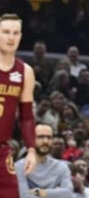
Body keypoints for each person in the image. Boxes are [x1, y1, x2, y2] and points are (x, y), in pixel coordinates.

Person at [0, 15, 38, 198]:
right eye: (6, 32)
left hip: (2, 150)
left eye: (15, 33)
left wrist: (31, 149)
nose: (11, 37)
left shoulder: (25, 71)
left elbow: (27, 117)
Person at [16, 124, 73, 198]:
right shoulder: (19, 167)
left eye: (49, 137)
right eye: (40, 137)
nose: (45, 141)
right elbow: (24, 196)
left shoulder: (61, 167)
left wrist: (40, 192)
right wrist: (56, 194)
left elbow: (68, 193)